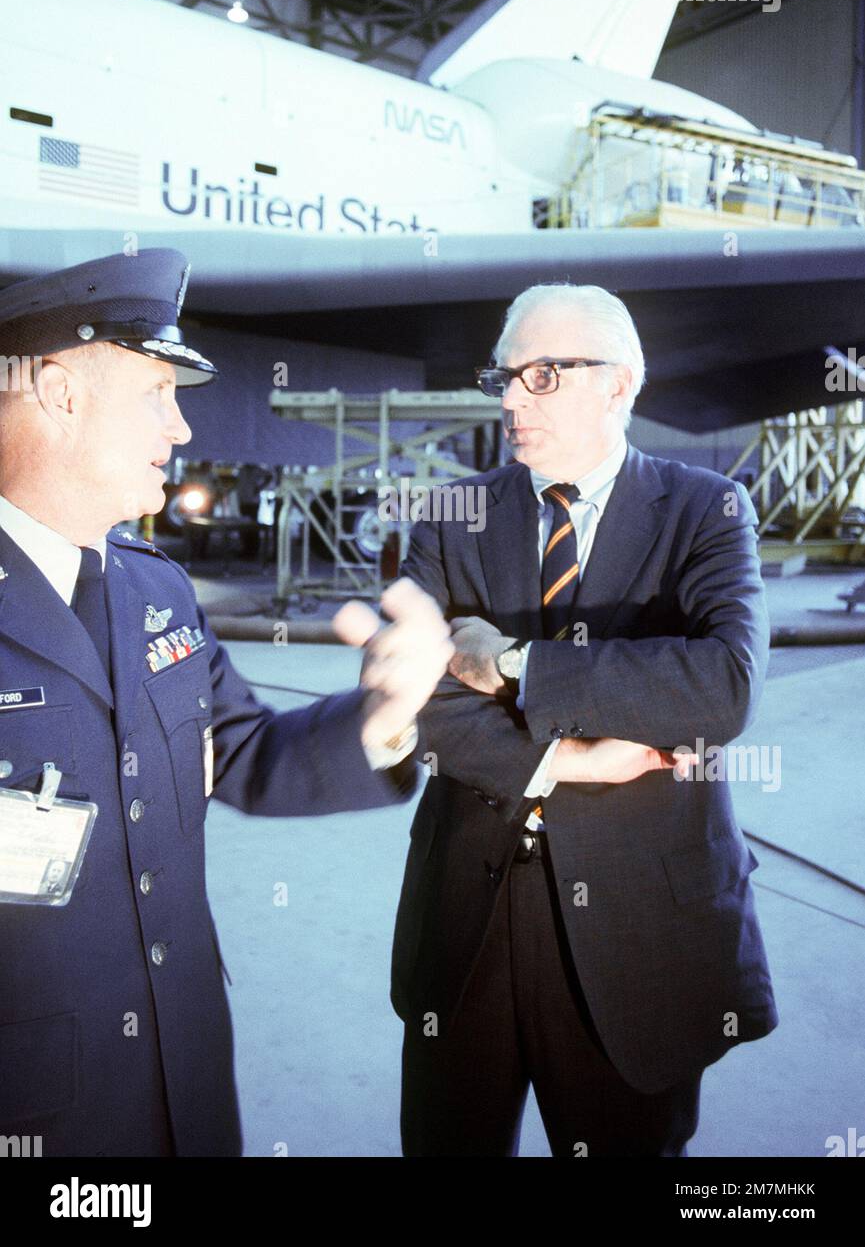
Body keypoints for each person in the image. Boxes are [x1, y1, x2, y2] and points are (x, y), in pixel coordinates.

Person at [0, 248, 450, 1157]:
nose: (178, 428)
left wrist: (383, 714)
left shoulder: (155, 590)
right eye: (155, 394)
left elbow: (244, 754)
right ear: (59, 392)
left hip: (182, 1073)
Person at [392, 283, 778, 1158]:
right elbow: (415, 697)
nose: (508, 399)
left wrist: (513, 663)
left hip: (640, 925)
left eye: (541, 375)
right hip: (467, 916)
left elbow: (721, 687)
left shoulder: (706, 509)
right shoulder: (454, 514)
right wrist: (564, 761)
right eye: (503, 375)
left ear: (619, 384)